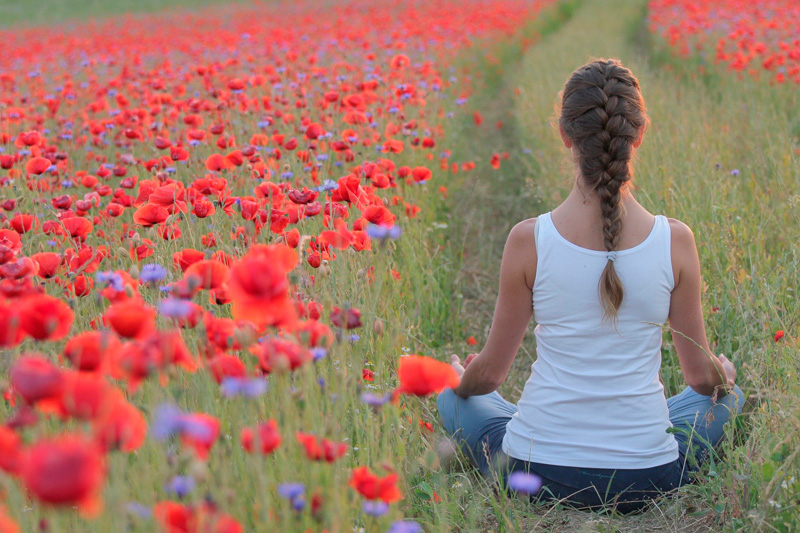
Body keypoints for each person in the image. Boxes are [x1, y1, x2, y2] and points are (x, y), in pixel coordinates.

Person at [436, 58, 745, 513]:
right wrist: (725, 376)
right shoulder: (675, 241)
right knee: (727, 398)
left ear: (564, 135)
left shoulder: (529, 240)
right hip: (648, 477)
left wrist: (461, 380)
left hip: (534, 471)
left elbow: (491, 377)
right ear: (638, 134)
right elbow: (701, 378)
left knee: (453, 395)